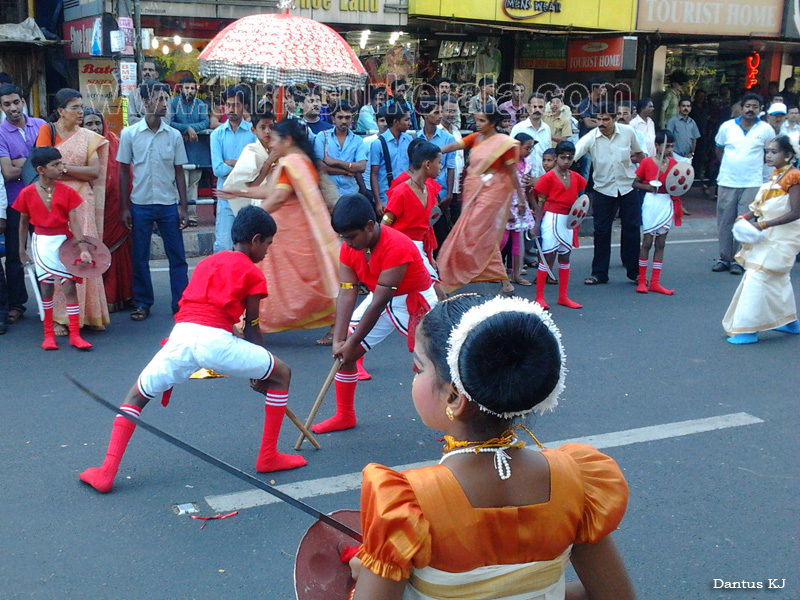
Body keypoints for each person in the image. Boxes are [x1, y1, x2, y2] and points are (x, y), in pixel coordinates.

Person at [348, 293, 635, 600]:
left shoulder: (410, 504)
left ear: (454, 397)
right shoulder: (574, 482)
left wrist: (368, 574)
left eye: (419, 369)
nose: (414, 379)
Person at [79, 207, 307, 494]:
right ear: (256, 239)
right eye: (268, 244)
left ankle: (106, 470)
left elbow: (210, 314)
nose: (267, 252)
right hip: (216, 343)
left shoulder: (207, 264)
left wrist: (256, 366)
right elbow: (251, 327)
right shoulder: (252, 272)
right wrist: (262, 372)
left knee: (137, 395)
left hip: (181, 337)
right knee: (282, 373)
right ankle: (269, 456)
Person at [311, 193, 437, 434]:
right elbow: (347, 292)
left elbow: (380, 301)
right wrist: (340, 340)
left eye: (350, 237)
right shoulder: (349, 248)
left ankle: (456, 422)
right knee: (346, 356)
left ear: (369, 226)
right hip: (380, 299)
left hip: (414, 301)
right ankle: (344, 415)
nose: (346, 243)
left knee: (438, 363)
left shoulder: (397, 245)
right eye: (342, 237)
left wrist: (352, 340)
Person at [216, 118, 339, 336]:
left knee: (308, 284)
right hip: (283, 236)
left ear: (288, 140)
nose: (271, 144)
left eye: (274, 139)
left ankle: (336, 325)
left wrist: (253, 218)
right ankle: (251, 323)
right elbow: (270, 191)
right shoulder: (294, 161)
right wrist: (239, 192)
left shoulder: (293, 162)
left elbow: (279, 198)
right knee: (295, 283)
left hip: (291, 237)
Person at [36, 88, 109, 333]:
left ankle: (90, 314)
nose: (80, 112)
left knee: (84, 251)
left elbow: (94, 172)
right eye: (75, 107)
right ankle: (60, 318)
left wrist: (63, 168)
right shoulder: (48, 131)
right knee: (59, 256)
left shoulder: (88, 136)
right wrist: (70, 170)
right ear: (60, 111)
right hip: (54, 199)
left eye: (81, 106)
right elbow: (44, 167)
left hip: (83, 201)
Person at [118, 81, 189, 321]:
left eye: (165, 99)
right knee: (139, 256)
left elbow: (180, 172)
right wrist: (124, 207)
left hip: (168, 204)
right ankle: (142, 302)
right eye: (159, 99)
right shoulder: (129, 134)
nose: (164, 104)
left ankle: (181, 302)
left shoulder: (174, 135)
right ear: (146, 102)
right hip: (140, 204)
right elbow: (123, 171)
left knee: (177, 255)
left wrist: (184, 208)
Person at [437, 105, 525, 295]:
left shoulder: (504, 143)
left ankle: (451, 275)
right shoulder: (476, 138)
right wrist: (435, 151)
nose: (477, 124)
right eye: (476, 120)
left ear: (492, 122)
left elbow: (512, 174)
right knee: (482, 236)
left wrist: (521, 199)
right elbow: (456, 145)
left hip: (492, 193)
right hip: (473, 190)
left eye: (482, 121)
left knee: (471, 232)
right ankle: (505, 282)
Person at [722, 135, 800, 344]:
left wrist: (763, 225)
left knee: (757, 277)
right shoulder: (775, 175)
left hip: (783, 237)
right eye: (767, 151)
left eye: (774, 152)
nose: (768, 155)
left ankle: (748, 329)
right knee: (778, 278)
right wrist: (747, 217)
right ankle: (788, 321)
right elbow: (763, 206)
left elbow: (796, 212)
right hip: (768, 235)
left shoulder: (794, 177)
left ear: (789, 155)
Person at [15, 147, 95, 350]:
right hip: (41, 241)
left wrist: (83, 247)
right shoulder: (27, 192)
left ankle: (75, 334)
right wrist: (21, 250)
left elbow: (74, 222)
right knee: (47, 287)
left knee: (69, 286)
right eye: (55, 164)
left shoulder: (67, 191)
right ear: (41, 169)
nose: (61, 167)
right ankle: (48, 334)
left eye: (61, 163)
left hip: (64, 242)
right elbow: (23, 223)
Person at [574, 102, 645, 285]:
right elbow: (574, 154)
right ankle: (599, 273)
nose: (602, 123)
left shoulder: (628, 132)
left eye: (606, 119)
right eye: (599, 119)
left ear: (614, 119)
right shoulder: (592, 137)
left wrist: (640, 172)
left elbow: (640, 154)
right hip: (603, 189)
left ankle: (634, 272)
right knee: (602, 232)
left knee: (631, 229)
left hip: (628, 186)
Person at [713, 93, 774, 275]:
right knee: (724, 222)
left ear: (760, 110)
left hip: (752, 182)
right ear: (741, 107)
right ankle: (724, 258)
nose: (750, 109)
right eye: (748, 106)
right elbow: (719, 149)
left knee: (745, 222)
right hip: (727, 181)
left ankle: (740, 260)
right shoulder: (727, 127)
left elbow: (769, 155)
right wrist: (730, 167)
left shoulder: (766, 130)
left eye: (755, 106)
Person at [0, 83, 45, 329]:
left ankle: (50, 303)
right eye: (7, 104)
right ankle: (17, 304)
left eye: (16, 102)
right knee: (17, 255)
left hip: (44, 200)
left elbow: (52, 161)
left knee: (45, 252)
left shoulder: (40, 125)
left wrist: (22, 163)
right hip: (16, 202)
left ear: (23, 101)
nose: (13, 108)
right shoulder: (0, 133)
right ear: (1, 107)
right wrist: (35, 165)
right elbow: (7, 173)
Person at [82, 109, 133, 313]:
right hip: (88, 207)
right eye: (89, 124)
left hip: (115, 207)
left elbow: (125, 174)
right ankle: (94, 301)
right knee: (91, 249)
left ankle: (119, 296)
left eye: (97, 123)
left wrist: (124, 207)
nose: (95, 128)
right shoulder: (80, 146)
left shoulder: (115, 143)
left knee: (118, 251)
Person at [383, 141, 443, 293]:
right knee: (435, 293)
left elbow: (425, 228)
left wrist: (429, 256)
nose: (441, 167)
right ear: (428, 164)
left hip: (419, 249)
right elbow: (384, 225)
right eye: (439, 162)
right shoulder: (401, 191)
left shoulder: (429, 188)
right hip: (401, 249)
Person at [532, 140, 587, 309]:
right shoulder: (547, 178)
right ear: (556, 158)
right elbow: (540, 202)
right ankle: (539, 297)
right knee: (548, 256)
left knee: (565, 256)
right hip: (552, 218)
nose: (566, 161)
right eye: (563, 157)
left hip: (568, 221)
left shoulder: (576, 178)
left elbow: (581, 201)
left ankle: (563, 296)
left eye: (569, 158)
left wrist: (578, 218)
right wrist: (536, 225)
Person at [632, 130, 683, 295]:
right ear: (657, 145)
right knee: (647, 242)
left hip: (666, 201)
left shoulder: (675, 164)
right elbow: (634, 183)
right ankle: (641, 280)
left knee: (661, 243)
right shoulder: (646, 162)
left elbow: (680, 184)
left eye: (672, 146)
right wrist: (647, 187)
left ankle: (655, 281)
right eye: (666, 146)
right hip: (651, 202)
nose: (669, 149)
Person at [211, 84, 257, 253]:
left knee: (249, 246)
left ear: (244, 107)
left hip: (249, 195)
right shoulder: (217, 134)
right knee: (223, 245)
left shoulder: (253, 132)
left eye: (236, 105)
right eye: (228, 105)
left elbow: (255, 167)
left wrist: (232, 163)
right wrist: (242, 165)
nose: (231, 109)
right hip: (226, 195)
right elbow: (217, 169)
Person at [170, 75, 210, 227]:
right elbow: (170, 121)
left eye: (192, 88)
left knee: (194, 183)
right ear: (180, 88)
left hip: (197, 150)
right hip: (180, 150)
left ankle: (192, 216)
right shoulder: (173, 103)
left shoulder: (200, 104)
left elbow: (205, 121)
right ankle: (180, 214)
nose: (190, 91)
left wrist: (193, 129)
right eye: (187, 88)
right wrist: (186, 129)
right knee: (181, 182)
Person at [221, 111, 275, 214]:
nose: (267, 131)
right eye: (262, 128)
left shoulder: (282, 149)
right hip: (260, 204)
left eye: (271, 127)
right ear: (253, 130)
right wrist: (268, 162)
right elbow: (252, 186)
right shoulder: (251, 151)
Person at [501, 132, 536, 287]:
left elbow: (528, 187)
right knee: (502, 241)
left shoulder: (528, 163)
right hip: (506, 203)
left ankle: (516, 274)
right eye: (527, 148)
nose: (530, 151)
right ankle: (499, 275)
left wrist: (531, 205)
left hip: (521, 205)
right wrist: (507, 209)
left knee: (518, 242)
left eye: (532, 148)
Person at [314, 102, 367, 197]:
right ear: (333, 119)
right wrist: (347, 171)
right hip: (328, 195)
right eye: (340, 117)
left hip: (350, 193)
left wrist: (335, 162)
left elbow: (361, 167)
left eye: (347, 117)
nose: (344, 121)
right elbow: (320, 167)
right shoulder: (322, 136)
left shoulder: (357, 140)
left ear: (352, 119)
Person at [370, 106, 413, 216]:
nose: (410, 123)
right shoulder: (378, 143)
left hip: (406, 194)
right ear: (396, 122)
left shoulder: (408, 139)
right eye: (406, 119)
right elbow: (374, 174)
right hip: (387, 196)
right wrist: (378, 202)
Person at [415, 97, 455, 208]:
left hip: (441, 192)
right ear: (425, 115)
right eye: (436, 112)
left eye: (441, 112)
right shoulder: (416, 138)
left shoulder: (448, 138)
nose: (440, 115)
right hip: (419, 192)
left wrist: (449, 193)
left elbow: (451, 168)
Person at [510, 93, 551, 180]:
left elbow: (549, 155)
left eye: (540, 107)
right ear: (528, 108)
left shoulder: (546, 129)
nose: (537, 110)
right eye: (534, 106)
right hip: (522, 180)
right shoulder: (518, 128)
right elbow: (510, 155)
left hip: (542, 178)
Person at [126, 60, 172, 126]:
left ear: (156, 74)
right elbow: (131, 120)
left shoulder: (164, 95)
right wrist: (154, 120)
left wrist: (141, 118)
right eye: (144, 70)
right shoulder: (133, 95)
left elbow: (166, 121)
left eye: (150, 70)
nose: (147, 72)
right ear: (141, 73)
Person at [666, 96, 701, 161]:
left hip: (688, 157)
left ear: (690, 108)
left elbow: (694, 139)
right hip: (674, 155)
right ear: (679, 108)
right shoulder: (673, 121)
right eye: (683, 106)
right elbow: (668, 138)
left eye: (688, 106)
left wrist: (692, 153)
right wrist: (670, 154)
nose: (686, 108)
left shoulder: (692, 122)